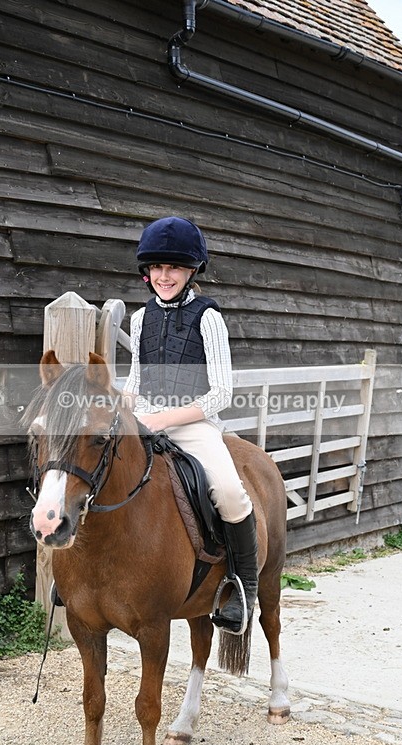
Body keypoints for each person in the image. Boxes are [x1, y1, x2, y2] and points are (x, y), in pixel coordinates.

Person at [123, 216, 257, 633]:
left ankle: (242, 589)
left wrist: (164, 418)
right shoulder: (140, 319)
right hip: (144, 418)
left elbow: (221, 393)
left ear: (190, 270)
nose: (164, 276)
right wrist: (121, 409)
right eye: (157, 268)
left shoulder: (208, 318)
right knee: (96, 465)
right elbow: (134, 379)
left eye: (174, 268)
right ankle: (79, 575)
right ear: (147, 271)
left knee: (231, 493)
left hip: (193, 423)